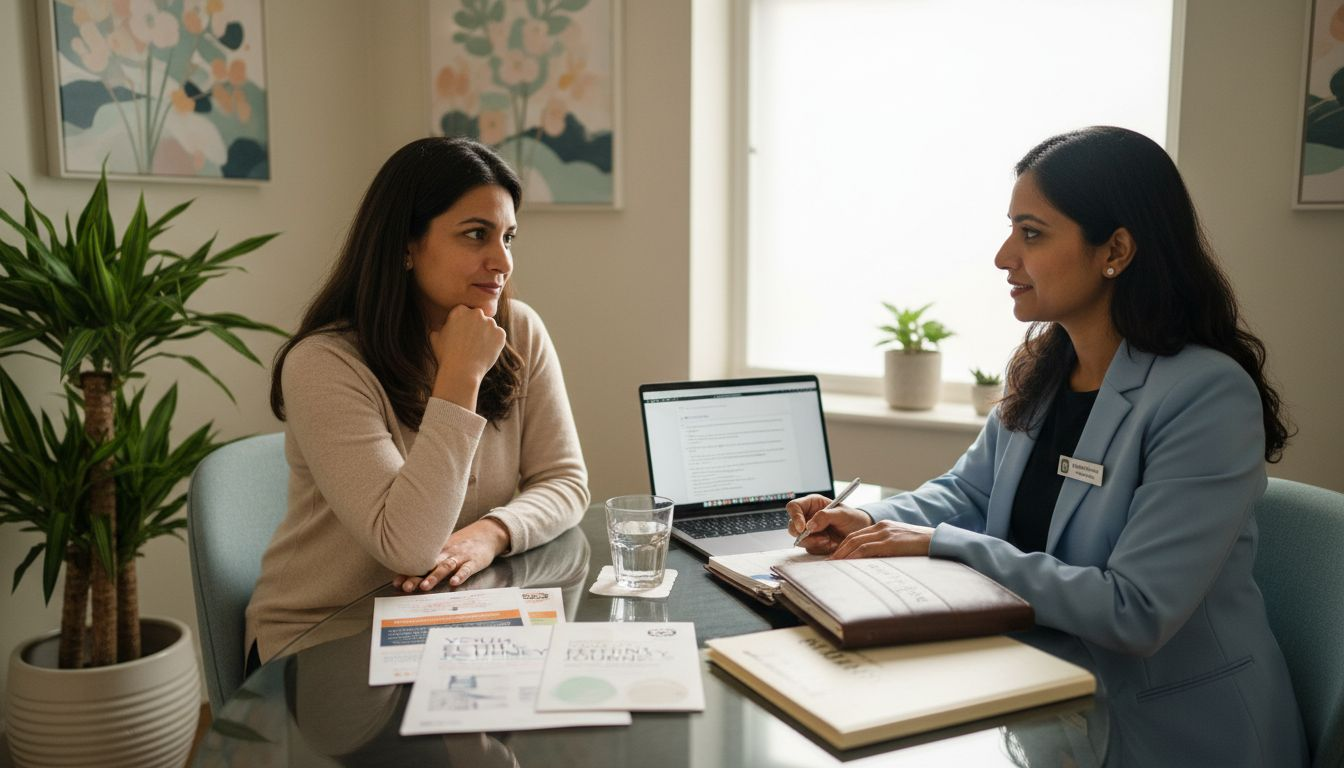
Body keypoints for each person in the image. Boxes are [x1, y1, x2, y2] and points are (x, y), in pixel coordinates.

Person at [787, 127, 1307, 766]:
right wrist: (870, 522)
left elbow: (1134, 610)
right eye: (1011, 230)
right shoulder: (1044, 366)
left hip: (1178, 734)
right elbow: (969, 493)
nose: (1005, 257)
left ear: (1115, 249)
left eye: (1031, 233)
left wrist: (945, 545)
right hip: (1045, 700)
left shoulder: (1206, 396)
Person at [245, 137, 589, 666]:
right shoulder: (324, 362)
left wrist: (492, 533)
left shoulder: (519, 330)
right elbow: (406, 547)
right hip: (327, 638)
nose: (501, 261)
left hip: (453, 622)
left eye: (508, 237)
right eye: (477, 234)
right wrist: (461, 375)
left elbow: (565, 482)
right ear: (405, 244)